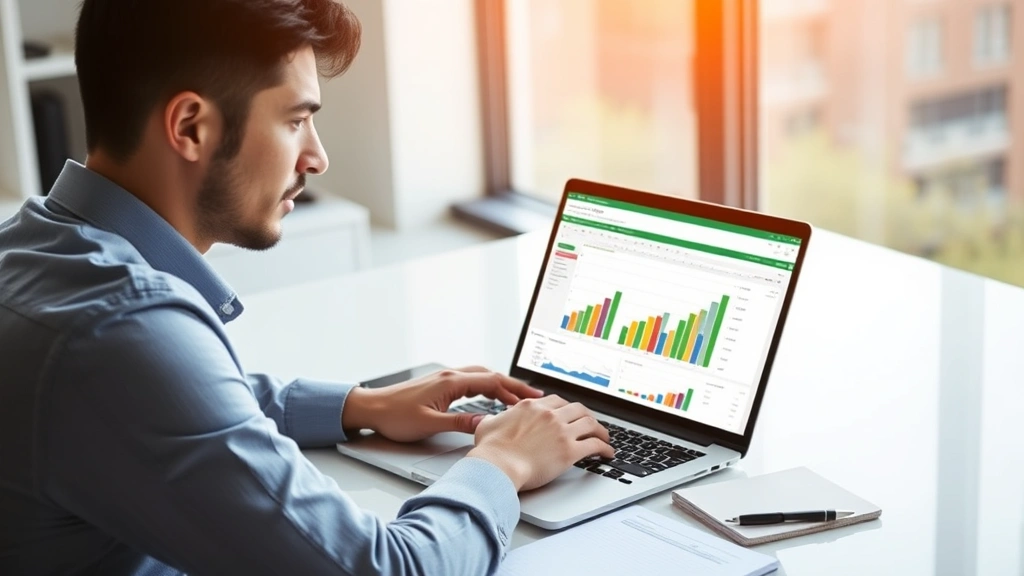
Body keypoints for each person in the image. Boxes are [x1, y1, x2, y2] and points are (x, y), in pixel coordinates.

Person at [0, 0, 615, 574]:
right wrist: (503, 460)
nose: (316, 158)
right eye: (296, 121)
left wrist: (362, 406)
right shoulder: (119, 332)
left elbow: (162, 406)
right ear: (190, 127)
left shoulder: (32, 250)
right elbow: (389, 567)